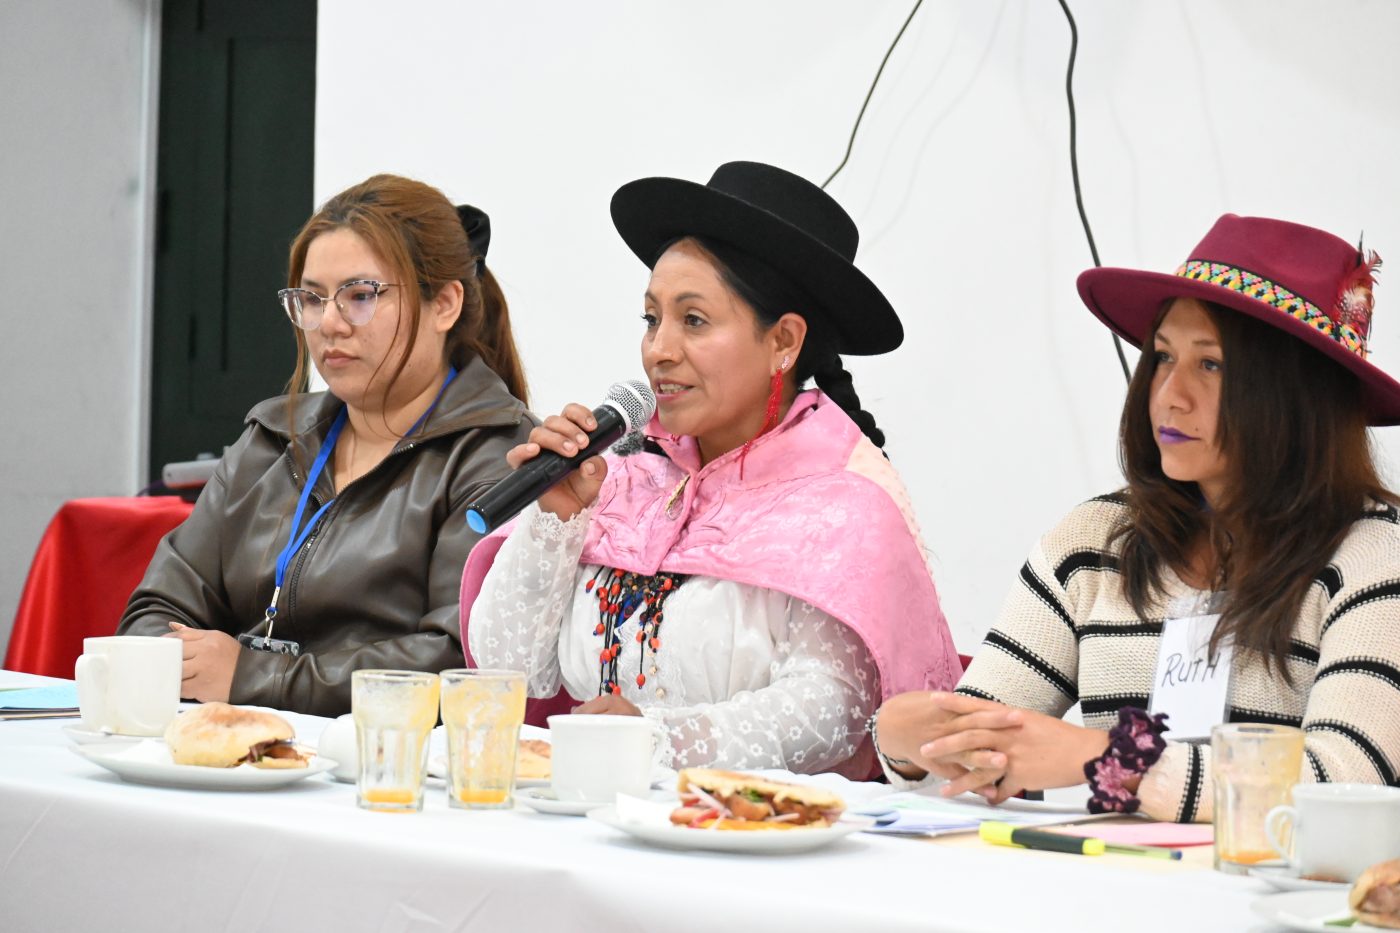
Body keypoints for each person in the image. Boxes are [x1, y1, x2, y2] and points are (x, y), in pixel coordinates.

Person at [873, 214, 1400, 821]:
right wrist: (905, 741)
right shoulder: (1093, 542)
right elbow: (982, 736)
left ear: (1298, 393)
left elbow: (1341, 785)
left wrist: (1112, 760)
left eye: (1212, 365)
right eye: (1162, 356)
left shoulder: (1371, 557)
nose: (1169, 393)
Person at [461, 161, 962, 779]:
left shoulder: (843, 504)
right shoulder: (623, 478)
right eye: (651, 319)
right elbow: (509, 672)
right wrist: (555, 522)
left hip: (760, 841)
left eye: (692, 320)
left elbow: (829, 713)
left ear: (784, 340)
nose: (658, 349)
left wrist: (654, 740)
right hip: (594, 823)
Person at [118, 174, 536, 716]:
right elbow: (156, 607)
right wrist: (178, 661)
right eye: (312, 299)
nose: (329, 324)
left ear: (445, 304)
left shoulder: (502, 455)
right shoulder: (270, 440)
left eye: (360, 296)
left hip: (395, 775)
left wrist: (253, 676)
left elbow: (456, 661)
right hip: (238, 754)